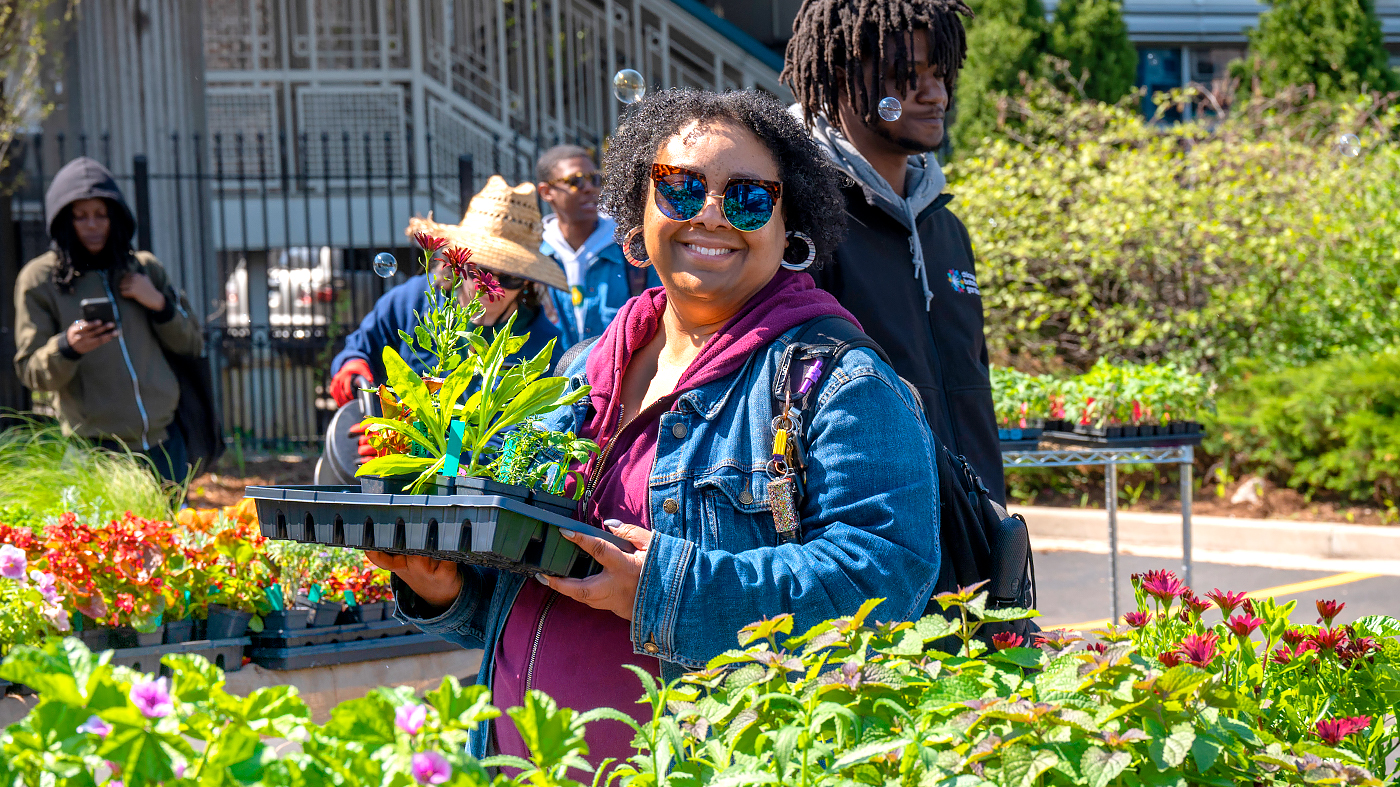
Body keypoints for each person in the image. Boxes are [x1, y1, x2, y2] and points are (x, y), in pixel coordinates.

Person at [369, 89, 940, 766]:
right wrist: (445, 585)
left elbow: (886, 582)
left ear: (790, 227)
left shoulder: (839, 382)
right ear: (638, 214)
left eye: (749, 197)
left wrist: (668, 588)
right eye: (679, 188)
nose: (709, 213)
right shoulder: (580, 374)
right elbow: (527, 580)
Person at [782, 0, 1005, 503]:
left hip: (973, 532)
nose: (936, 94)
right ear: (840, 78)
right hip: (864, 539)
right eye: (908, 75)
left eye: (942, 74)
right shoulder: (796, 219)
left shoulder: (946, 226)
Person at [13, 157, 203, 482]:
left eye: (101, 215)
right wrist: (68, 347)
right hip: (96, 454)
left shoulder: (144, 269)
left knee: (177, 533)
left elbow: (192, 344)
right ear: (63, 221)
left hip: (165, 444)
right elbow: (31, 372)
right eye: (81, 216)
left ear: (116, 217)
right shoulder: (39, 279)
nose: (93, 225)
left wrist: (158, 303)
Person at [329, 176, 568, 413]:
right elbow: (360, 349)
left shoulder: (543, 344)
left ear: (528, 280)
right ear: (459, 263)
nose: (492, 285)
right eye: (481, 270)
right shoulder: (411, 300)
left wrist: (455, 451)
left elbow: (536, 426)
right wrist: (352, 366)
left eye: (510, 276)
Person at [537, 145, 659, 346]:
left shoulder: (634, 253)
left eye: (595, 179)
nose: (589, 188)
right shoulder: (534, 259)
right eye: (575, 181)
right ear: (546, 191)